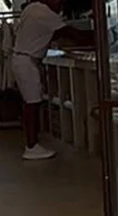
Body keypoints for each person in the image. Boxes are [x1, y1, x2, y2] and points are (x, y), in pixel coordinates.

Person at [11, 0, 92, 160]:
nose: (60, 7)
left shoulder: (32, 8)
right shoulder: (45, 13)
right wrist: (97, 37)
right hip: (27, 62)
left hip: (22, 59)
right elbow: (70, 33)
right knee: (32, 104)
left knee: (30, 103)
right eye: (59, 2)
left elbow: (50, 33)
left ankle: (32, 143)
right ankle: (32, 146)